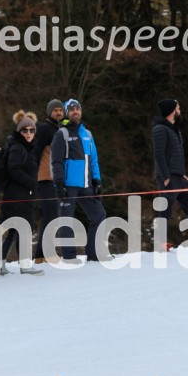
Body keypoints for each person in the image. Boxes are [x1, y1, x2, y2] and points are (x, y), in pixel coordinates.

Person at [50, 99, 108, 262]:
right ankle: (69, 256)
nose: (76, 111)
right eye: (72, 109)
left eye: (78, 109)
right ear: (67, 113)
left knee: (99, 214)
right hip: (69, 185)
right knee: (66, 219)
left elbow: (93, 159)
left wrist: (96, 180)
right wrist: (59, 184)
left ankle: (93, 253)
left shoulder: (87, 134)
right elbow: (56, 162)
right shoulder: (62, 134)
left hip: (86, 184)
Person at [0, 111, 44, 276]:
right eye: (25, 130)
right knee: (23, 229)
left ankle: (0, 266)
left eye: (32, 130)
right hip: (18, 197)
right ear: (19, 131)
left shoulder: (24, 147)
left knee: (14, 231)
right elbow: (13, 168)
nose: (28, 133)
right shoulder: (18, 147)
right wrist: (31, 183)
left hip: (19, 195)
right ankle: (24, 265)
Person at [153, 98, 188, 245]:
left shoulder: (174, 128)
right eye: (178, 107)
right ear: (172, 110)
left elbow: (176, 154)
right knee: (165, 211)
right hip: (168, 177)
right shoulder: (160, 129)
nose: (180, 110)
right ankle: (160, 243)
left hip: (179, 176)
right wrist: (165, 176)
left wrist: (181, 172)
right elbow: (159, 154)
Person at [33, 99, 64, 263]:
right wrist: (34, 176)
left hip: (56, 178)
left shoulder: (60, 129)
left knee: (53, 216)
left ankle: (41, 254)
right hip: (46, 178)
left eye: (60, 110)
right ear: (49, 112)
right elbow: (36, 152)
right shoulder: (45, 129)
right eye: (55, 110)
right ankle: (45, 253)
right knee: (50, 215)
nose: (58, 113)